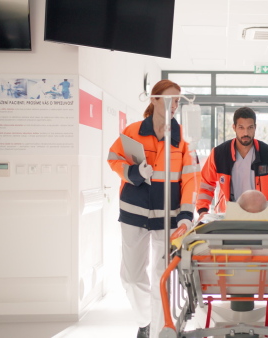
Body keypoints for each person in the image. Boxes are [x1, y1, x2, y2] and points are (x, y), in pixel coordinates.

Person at [107, 79, 199, 338]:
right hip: (134, 213)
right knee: (131, 278)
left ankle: (160, 332)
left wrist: (185, 216)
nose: (174, 106)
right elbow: (113, 159)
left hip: (168, 219)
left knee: (163, 279)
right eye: (169, 99)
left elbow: (191, 179)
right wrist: (134, 172)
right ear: (154, 99)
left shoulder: (183, 141)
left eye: (178, 101)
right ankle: (145, 320)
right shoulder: (134, 131)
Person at [196, 106, 268, 222]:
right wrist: (203, 211)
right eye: (241, 127)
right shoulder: (219, 154)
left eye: (250, 128)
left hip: (261, 217)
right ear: (234, 127)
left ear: (255, 128)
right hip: (227, 217)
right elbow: (205, 185)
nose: (246, 133)